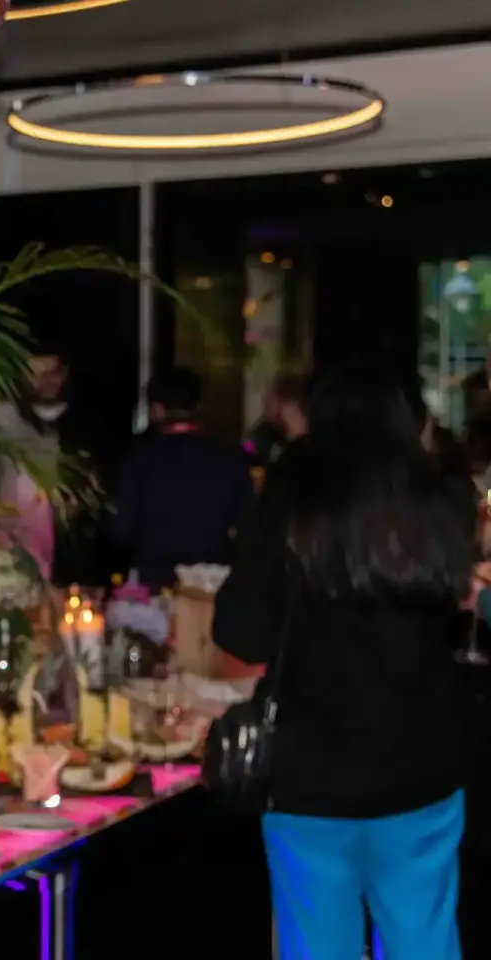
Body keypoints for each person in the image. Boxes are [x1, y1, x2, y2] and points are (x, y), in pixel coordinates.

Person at [213, 362, 475, 959]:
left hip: (311, 775)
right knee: (425, 943)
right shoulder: (437, 490)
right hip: (423, 768)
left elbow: (242, 632)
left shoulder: (292, 485)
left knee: (316, 948)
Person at [109, 367, 253, 590]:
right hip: (212, 584)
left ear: (156, 409)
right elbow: (246, 525)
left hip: (154, 584)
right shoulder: (231, 458)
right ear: (198, 406)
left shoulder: (139, 461)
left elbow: (122, 529)